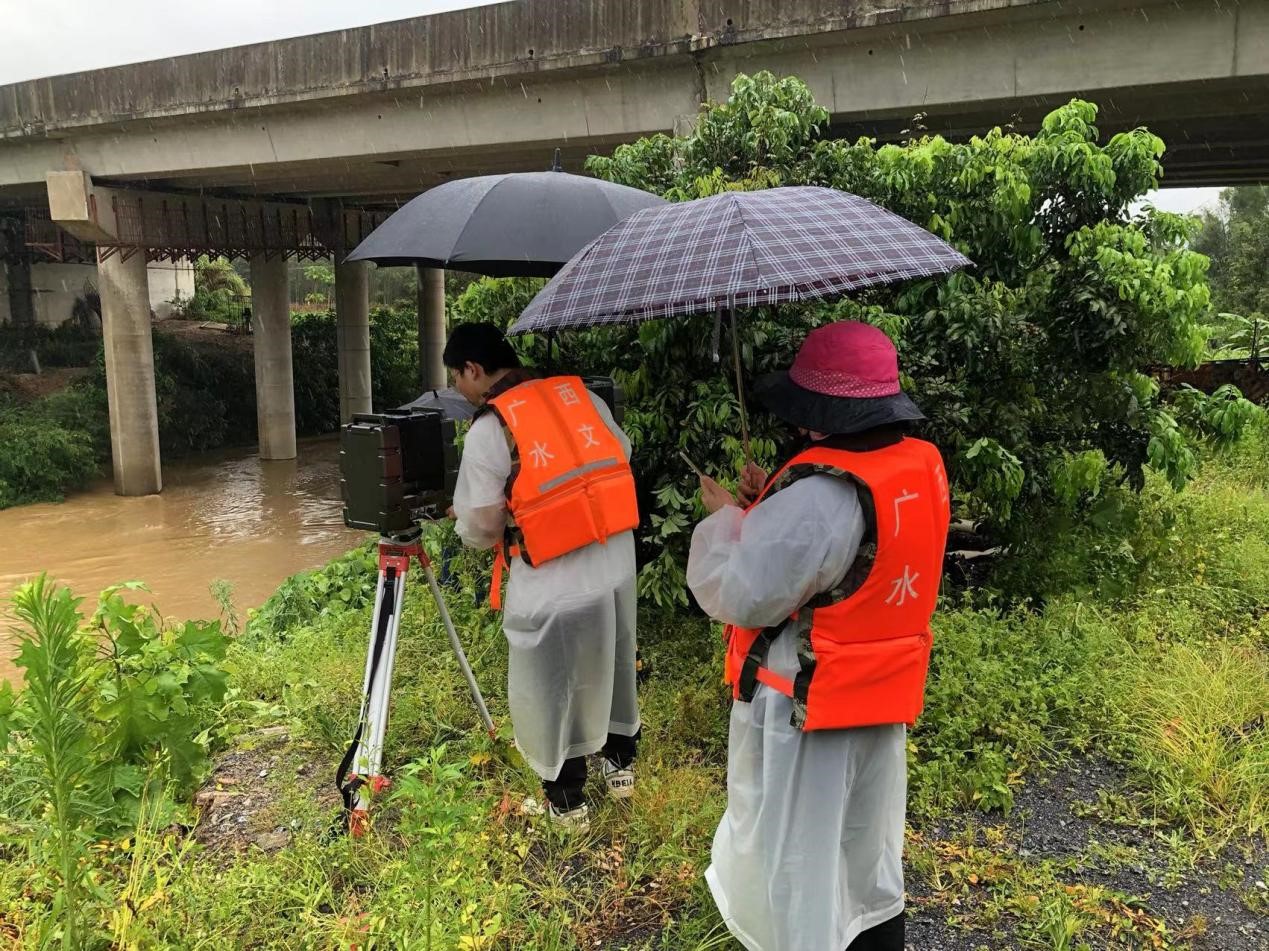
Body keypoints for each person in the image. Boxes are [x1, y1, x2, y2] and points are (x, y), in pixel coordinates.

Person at [687, 321, 951, 951]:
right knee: (866, 850)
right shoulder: (915, 467)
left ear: (819, 413)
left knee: (801, 856)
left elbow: (742, 591)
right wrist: (770, 507)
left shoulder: (820, 498)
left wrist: (727, 518)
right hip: (878, 694)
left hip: (810, 705)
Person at [445, 322, 641, 826]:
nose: (457, 391)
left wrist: (474, 516)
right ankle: (621, 770)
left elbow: (483, 526)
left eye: (456, 378)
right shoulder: (579, 398)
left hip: (553, 579)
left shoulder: (491, 428)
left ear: (473, 368)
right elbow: (621, 455)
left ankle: (567, 800)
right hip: (614, 559)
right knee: (613, 659)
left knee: (553, 684)